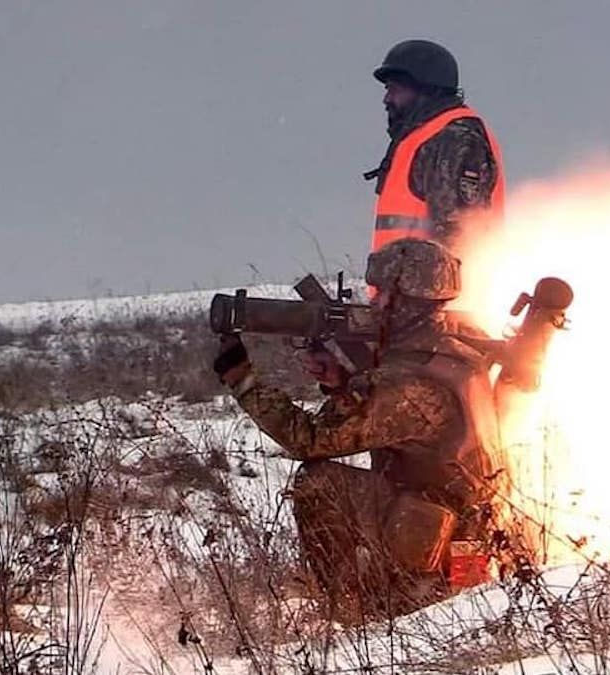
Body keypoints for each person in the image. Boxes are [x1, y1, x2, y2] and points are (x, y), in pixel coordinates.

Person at [213, 239, 503, 621]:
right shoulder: (453, 350)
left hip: (439, 538)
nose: (374, 303)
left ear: (406, 302)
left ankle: (349, 612)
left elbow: (309, 439)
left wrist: (243, 379)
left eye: (381, 293)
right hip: (462, 526)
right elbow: (397, 425)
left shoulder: (406, 382)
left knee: (318, 482)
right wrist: (341, 383)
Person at [365, 39, 506, 255]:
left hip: (441, 288)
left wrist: (440, 288)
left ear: (425, 90)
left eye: (395, 90)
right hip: (406, 287)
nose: (387, 99)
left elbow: (461, 237)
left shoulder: (455, 140)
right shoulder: (422, 138)